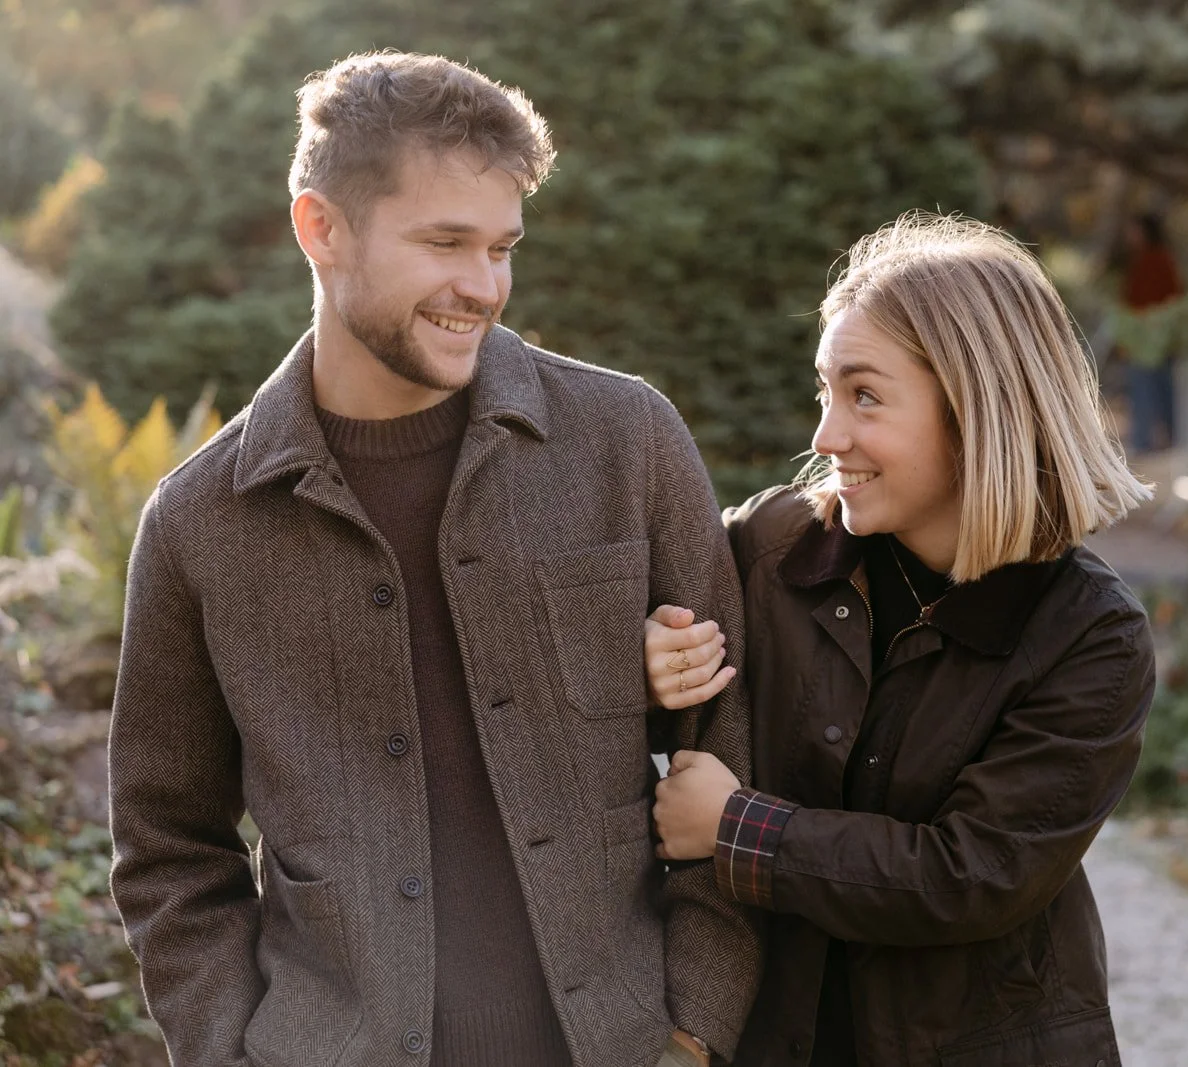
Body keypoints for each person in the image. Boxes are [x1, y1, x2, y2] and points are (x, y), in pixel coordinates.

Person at [108, 52, 758, 1067]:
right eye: (446, 242)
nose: (484, 287)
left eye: (502, 247)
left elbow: (735, 743)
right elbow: (167, 843)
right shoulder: (201, 520)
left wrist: (695, 1029)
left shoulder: (626, 440)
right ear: (321, 228)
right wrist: (228, 1048)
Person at [646, 214, 1157, 1065]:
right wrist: (651, 654)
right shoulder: (774, 549)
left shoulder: (1090, 635)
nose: (825, 436)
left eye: (865, 396)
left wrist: (737, 826)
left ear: (975, 409)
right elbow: (632, 684)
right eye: (825, 392)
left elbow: (969, 874)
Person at [1119, 212, 1185, 452]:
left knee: (1154, 392)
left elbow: (1172, 300)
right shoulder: (1140, 261)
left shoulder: (1158, 261)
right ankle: (1153, 441)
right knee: (1150, 391)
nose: (1129, 236)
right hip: (1145, 340)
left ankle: (1153, 443)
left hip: (1153, 340)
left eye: (1134, 230)